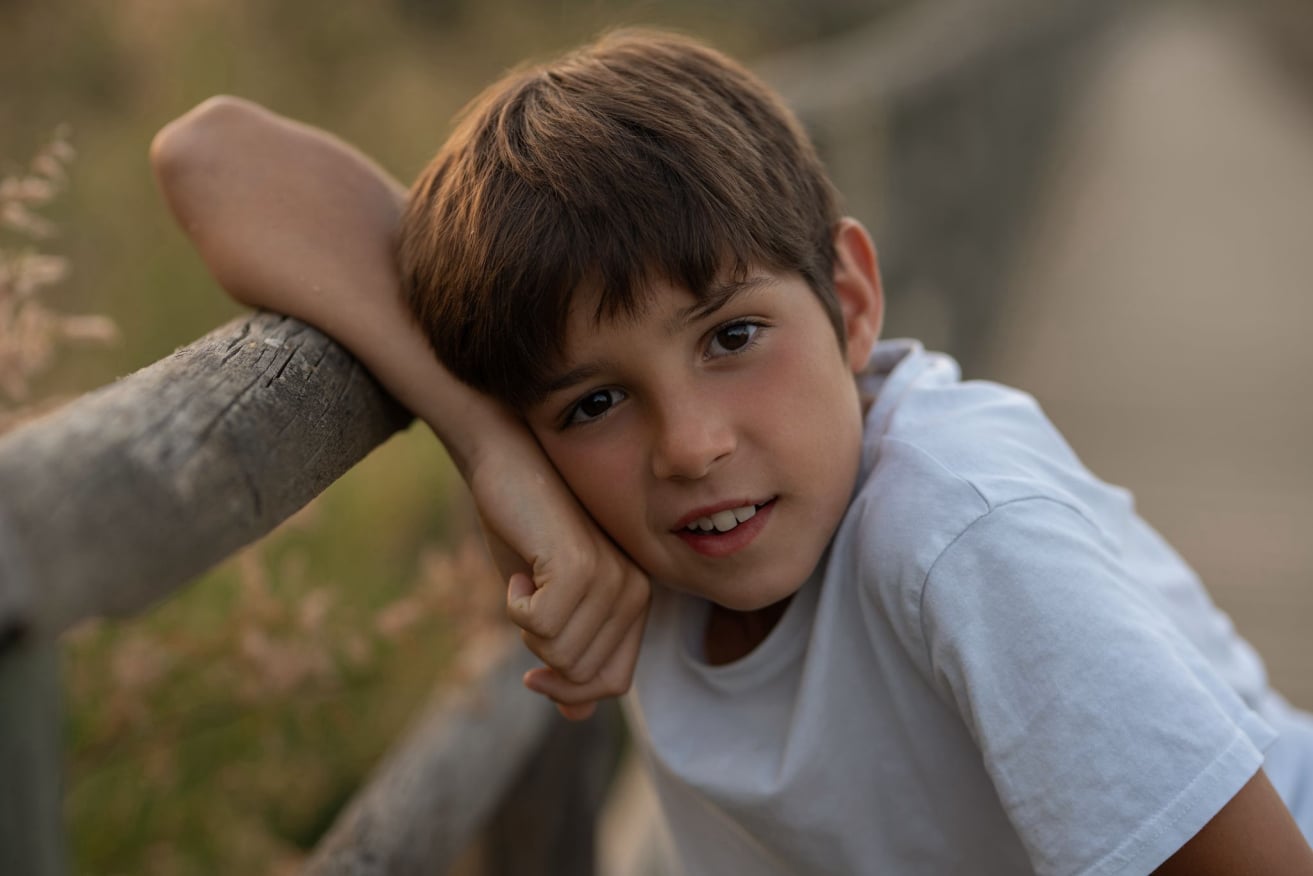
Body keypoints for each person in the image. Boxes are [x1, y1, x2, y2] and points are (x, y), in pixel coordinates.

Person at [151, 29, 1313, 875]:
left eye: (732, 337)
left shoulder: (956, 531)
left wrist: (543, 440)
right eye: (594, 402)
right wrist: (493, 452)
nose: (693, 447)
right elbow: (212, 154)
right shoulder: (647, 525)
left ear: (850, 298)